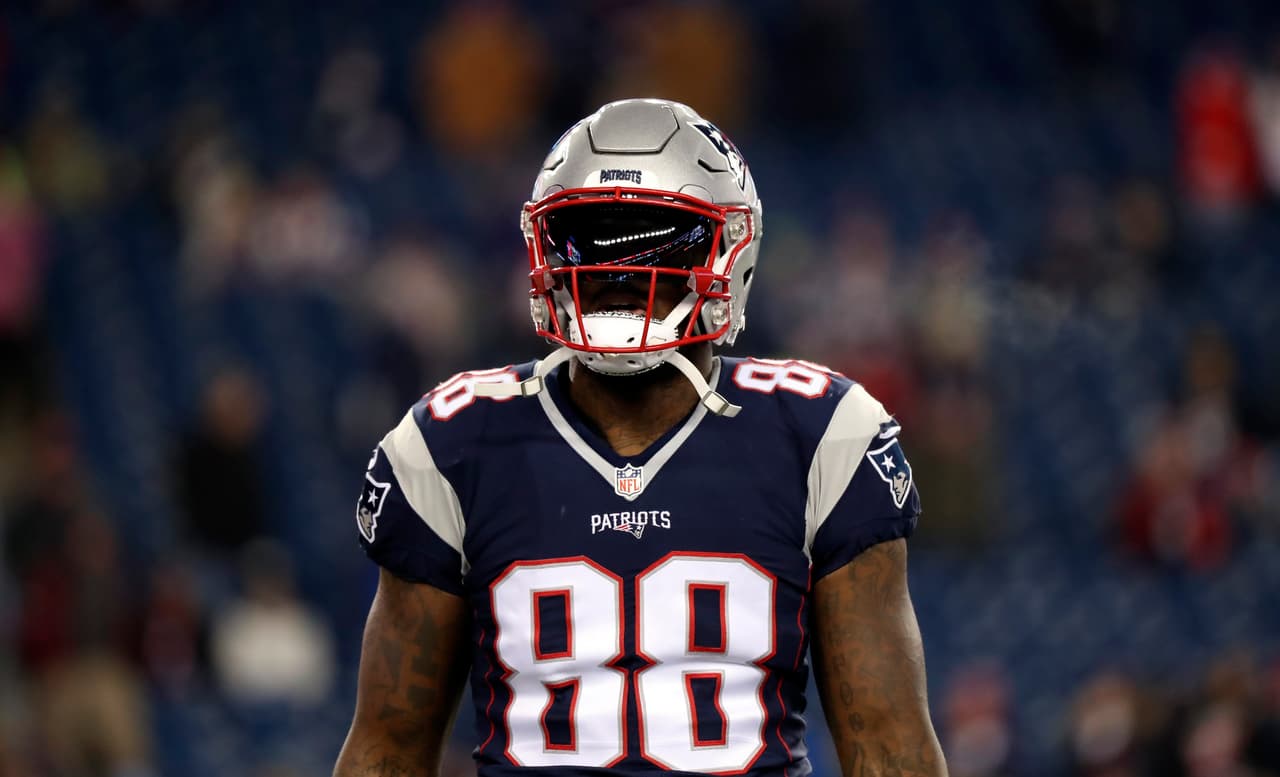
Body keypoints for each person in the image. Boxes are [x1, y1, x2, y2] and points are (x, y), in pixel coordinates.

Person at [334, 99, 946, 776]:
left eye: (658, 242)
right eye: (587, 241)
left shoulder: (823, 434)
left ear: (729, 251)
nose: (618, 274)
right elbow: (388, 746)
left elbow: (889, 747)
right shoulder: (452, 443)